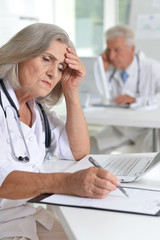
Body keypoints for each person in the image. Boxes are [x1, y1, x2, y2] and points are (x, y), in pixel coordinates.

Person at [0, 23, 120, 240]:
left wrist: (71, 90)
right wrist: (67, 183)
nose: (53, 74)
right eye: (47, 59)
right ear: (20, 53)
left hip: (25, 216)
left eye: (61, 68)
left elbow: (78, 150)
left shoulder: (36, 109)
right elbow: (2, 181)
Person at [90, 25, 160, 154]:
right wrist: (99, 70)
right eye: (108, 50)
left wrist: (138, 100)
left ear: (131, 49)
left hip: (146, 131)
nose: (111, 56)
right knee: (89, 147)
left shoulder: (152, 68)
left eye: (117, 50)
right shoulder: (108, 70)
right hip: (118, 129)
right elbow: (90, 98)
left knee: (150, 160)